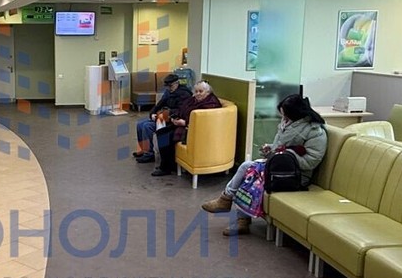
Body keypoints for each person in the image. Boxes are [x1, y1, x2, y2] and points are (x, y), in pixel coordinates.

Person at [201, 94, 327, 236]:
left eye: (285, 115)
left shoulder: (315, 132)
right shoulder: (289, 124)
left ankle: (237, 214)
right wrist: (272, 149)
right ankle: (228, 202)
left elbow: (311, 161)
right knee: (247, 167)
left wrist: (286, 154)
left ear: (295, 114)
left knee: (252, 176)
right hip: (279, 168)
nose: (283, 119)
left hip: (295, 175)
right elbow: (281, 147)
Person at [151, 81, 222, 176]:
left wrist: (185, 122)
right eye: (196, 91)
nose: (198, 94)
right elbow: (182, 110)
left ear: (208, 92)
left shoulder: (211, 103)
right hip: (183, 124)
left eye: (201, 91)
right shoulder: (193, 100)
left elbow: (202, 120)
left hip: (193, 130)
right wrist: (175, 118)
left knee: (166, 135)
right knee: (161, 132)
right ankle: (168, 164)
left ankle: (166, 167)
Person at [134, 73, 191, 164]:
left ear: (177, 83)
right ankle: (144, 150)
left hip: (172, 120)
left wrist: (163, 114)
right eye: (167, 86)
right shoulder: (168, 92)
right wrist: (152, 113)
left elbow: (180, 110)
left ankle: (149, 154)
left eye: (170, 86)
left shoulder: (184, 94)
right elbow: (159, 104)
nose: (168, 88)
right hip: (163, 116)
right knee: (140, 125)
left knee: (147, 126)